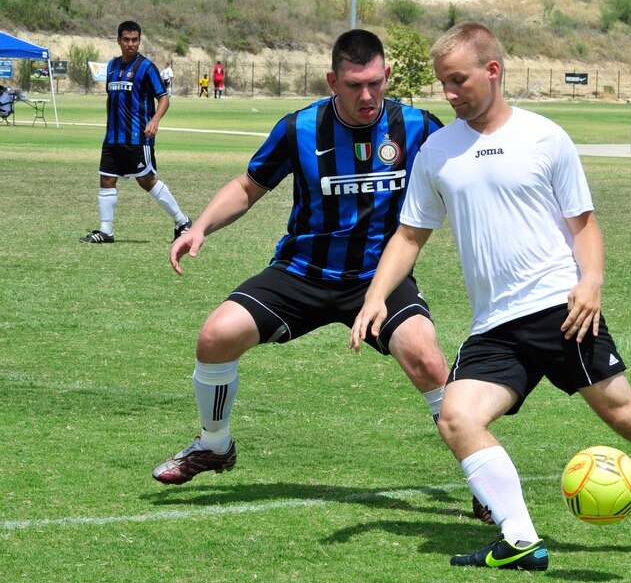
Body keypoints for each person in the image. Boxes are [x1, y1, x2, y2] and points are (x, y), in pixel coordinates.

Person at [351, 22, 631, 570]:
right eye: (443, 83)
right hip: (492, 326)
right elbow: (410, 235)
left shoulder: (545, 137)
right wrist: (375, 298)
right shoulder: (436, 152)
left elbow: (584, 226)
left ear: (493, 71)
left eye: (459, 80)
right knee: (456, 416)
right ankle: (520, 538)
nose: (449, 93)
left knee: (625, 415)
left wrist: (592, 282)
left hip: (560, 309)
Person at [152, 30, 454, 496]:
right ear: (333, 80)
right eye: (354, 85)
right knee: (215, 336)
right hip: (302, 274)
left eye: (375, 82)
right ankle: (215, 445)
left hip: (380, 280)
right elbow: (249, 186)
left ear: (387, 75)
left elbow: (470, 170)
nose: (367, 95)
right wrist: (200, 227)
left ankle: (485, 483)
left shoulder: (419, 127)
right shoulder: (300, 128)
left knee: (429, 362)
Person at [80, 20, 191, 244]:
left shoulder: (146, 67)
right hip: (112, 138)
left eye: (135, 40)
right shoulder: (111, 67)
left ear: (139, 41)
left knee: (146, 180)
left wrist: (155, 120)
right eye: (126, 40)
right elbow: (111, 98)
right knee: (107, 179)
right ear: (119, 40)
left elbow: (164, 97)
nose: (131, 44)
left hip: (138, 137)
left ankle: (182, 221)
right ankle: (106, 231)